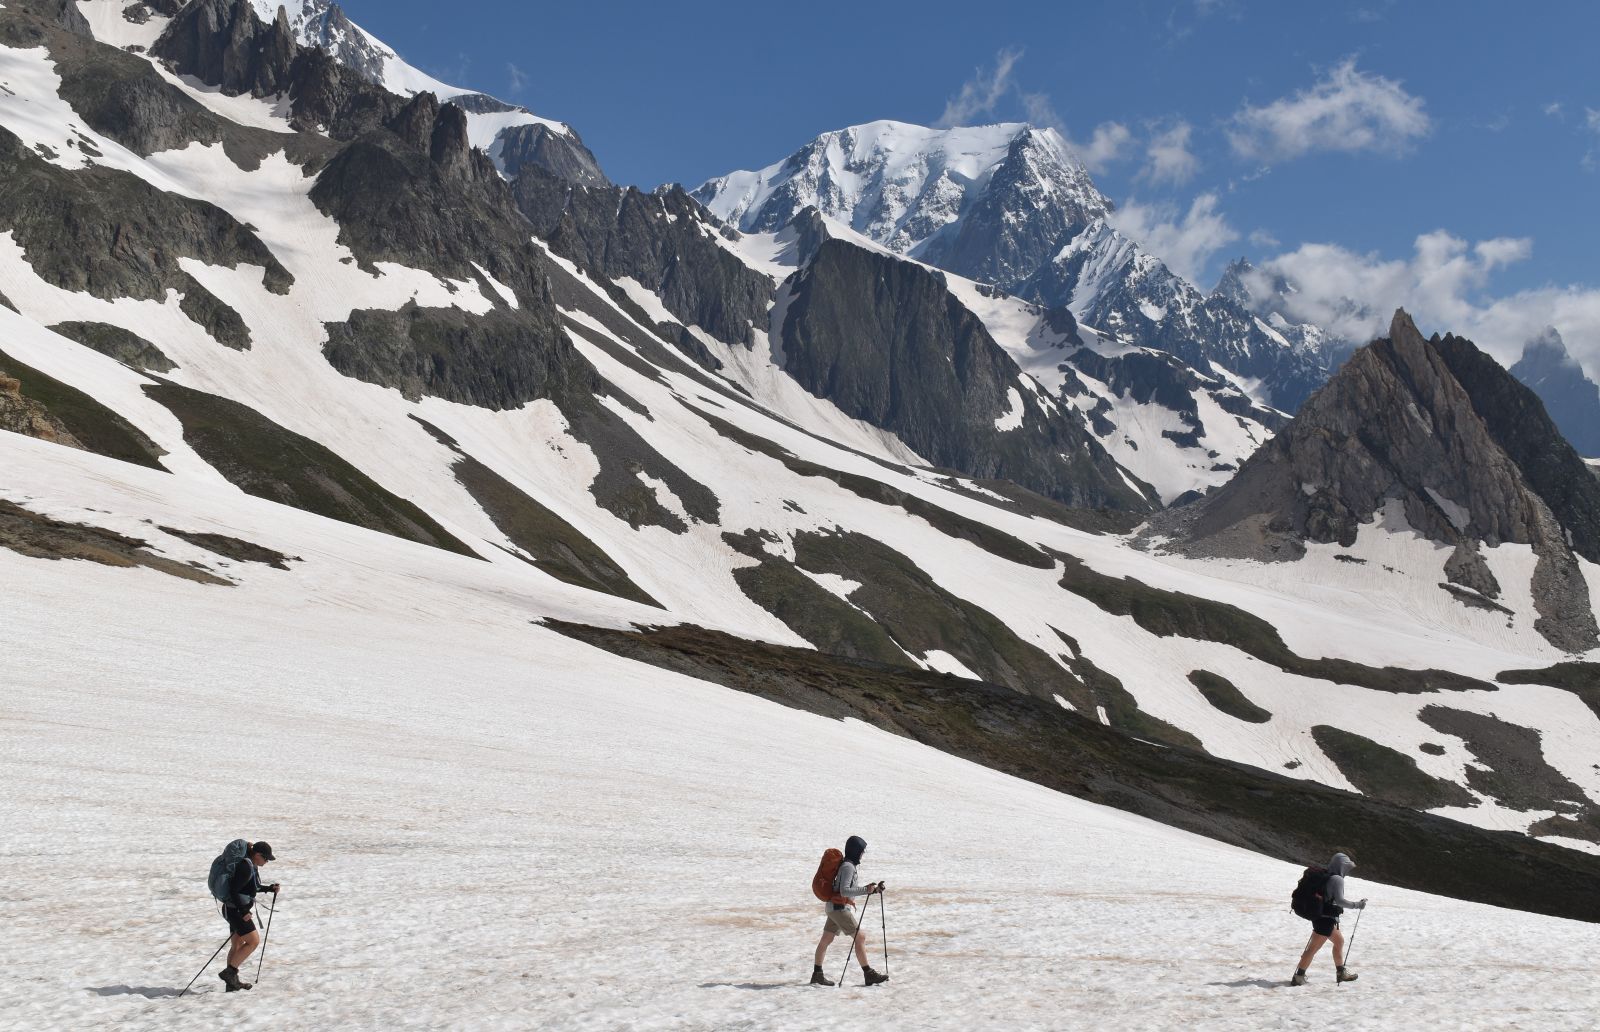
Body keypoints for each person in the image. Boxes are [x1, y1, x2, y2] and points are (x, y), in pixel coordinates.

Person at [811, 835, 888, 987]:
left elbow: (847, 890)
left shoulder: (848, 865)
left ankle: (817, 974)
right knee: (860, 937)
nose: (862, 854)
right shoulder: (848, 867)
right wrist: (866, 890)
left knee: (826, 940)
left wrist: (873, 890)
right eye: (861, 851)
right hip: (839, 909)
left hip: (834, 908)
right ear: (855, 850)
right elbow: (845, 891)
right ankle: (868, 974)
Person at [1291, 851, 1365, 986]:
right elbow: (1340, 901)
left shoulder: (1326, 875)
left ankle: (1340, 972)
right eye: (1347, 867)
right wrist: (1357, 905)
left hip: (1321, 916)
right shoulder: (1337, 879)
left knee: (1339, 941)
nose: (1348, 870)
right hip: (1325, 919)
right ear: (1341, 866)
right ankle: (1298, 977)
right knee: (1313, 949)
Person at [220, 841, 279, 992]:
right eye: (266, 859)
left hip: (232, 909)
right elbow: (234, 891)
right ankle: (230, 973)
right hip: (236, 910)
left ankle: (231, 984)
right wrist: (244, 912)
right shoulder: (245, 867)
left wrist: (269, 888)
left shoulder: (251, 865)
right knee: (253, 941)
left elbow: (251, 887)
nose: (267, 862)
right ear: (258, 855)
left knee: (237, 945)